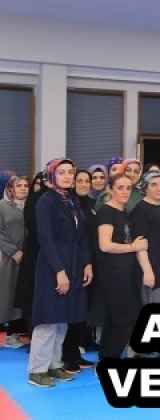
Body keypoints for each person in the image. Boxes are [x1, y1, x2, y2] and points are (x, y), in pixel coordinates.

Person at [28, 159, 93, 387]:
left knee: (63, 318)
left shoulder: (72, 200)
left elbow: (82, 236)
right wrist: (59, 271)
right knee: (48, 319)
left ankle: (54, 364)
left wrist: (87, 263)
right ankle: (37, 370)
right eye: (62, 172)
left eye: (70, 172)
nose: (67, 176)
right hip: (52, 266)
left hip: (74, 264)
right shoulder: (46, 201)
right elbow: (45, 239)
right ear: (52, 175)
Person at [96, 175, 146, 361]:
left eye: (128, 188)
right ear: (110, 189)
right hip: (113, 273)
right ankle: (108, 357)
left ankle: (107, 356)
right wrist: (133, 247)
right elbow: (105, 245)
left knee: (119, 317)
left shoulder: (124, 212)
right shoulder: (106, 212)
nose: (125, 192)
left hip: (127, 272)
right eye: (120, 187)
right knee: (122, 317)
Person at [61, 171, 95, 372]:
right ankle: (68, 356)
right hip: (74, 263)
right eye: (79, 180)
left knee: (82, 311)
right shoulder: (69, 203)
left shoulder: (92, 204)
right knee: (71, 311)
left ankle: (76, 353)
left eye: (86, 181)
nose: (83, 184)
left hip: (90, 262)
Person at [131, 171, 160, 309]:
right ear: (145, 188)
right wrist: (147, 271)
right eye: (154, 185)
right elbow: (140, 244)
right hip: (152, 271)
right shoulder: (140, 210)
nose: (159, 188)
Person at [14, 170, 49, 341]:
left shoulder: (57, 199)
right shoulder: (35, 200)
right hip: (34, 255)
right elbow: (35, 229)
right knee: (32, 296)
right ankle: (33, 337)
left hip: (43, 254)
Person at [0, 176, 28, 348]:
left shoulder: (31, 207)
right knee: (6, 294)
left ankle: (17, 333)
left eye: (26, 185)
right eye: (19, 185)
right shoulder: (2, 206)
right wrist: (13, 251)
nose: (23, 188)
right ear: (11, 188)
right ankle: (8, 333)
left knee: (20, 295)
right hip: (8, 257)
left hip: (27, 258)